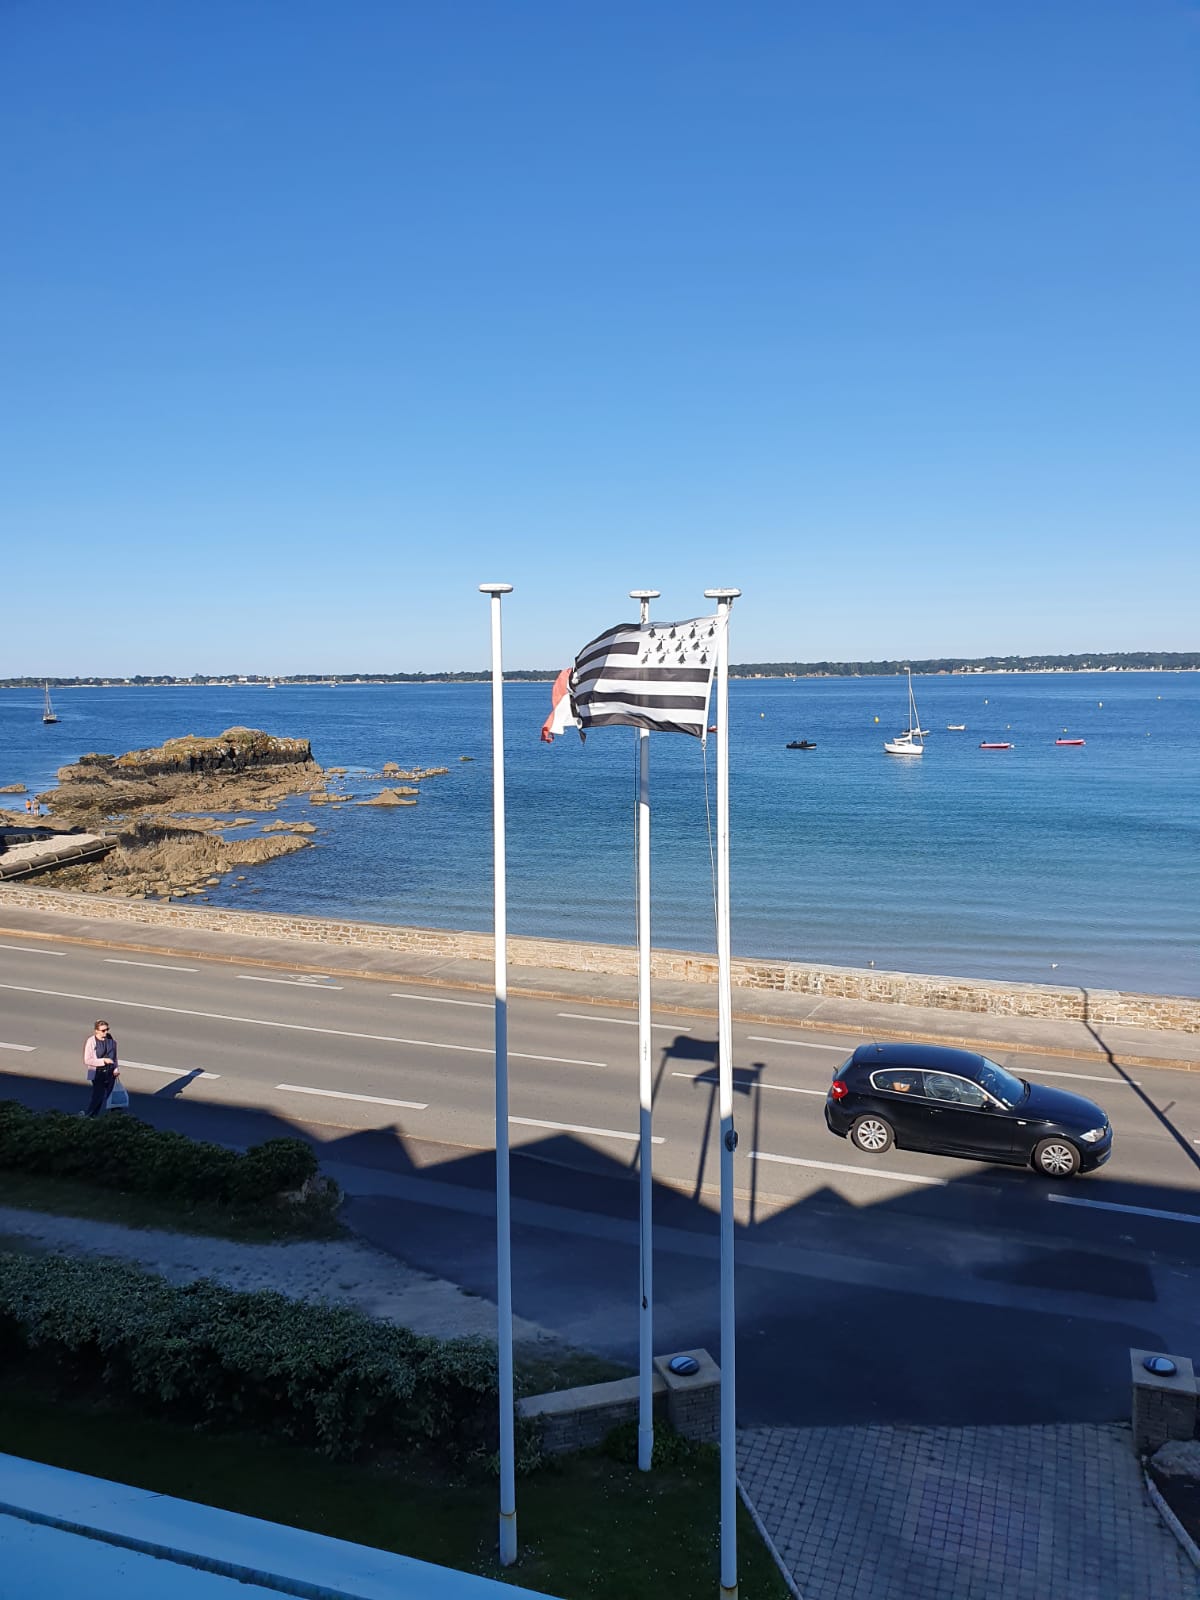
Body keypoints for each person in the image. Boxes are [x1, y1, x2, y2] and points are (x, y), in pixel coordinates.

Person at [83, 1019, 119, 1117]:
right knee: (98, 1097)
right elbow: (87, 1060)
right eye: (103, 1030)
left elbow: (114, 1056)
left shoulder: (110, 1039)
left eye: (107, 1029)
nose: (106, 1032)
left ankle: (115, 1117)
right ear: (96, 1031)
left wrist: (116, 1069)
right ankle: (90, 1116)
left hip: (110, 1073)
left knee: (112, 1096)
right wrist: (103, 1061)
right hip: (98, 1073)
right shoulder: (91, 1041)